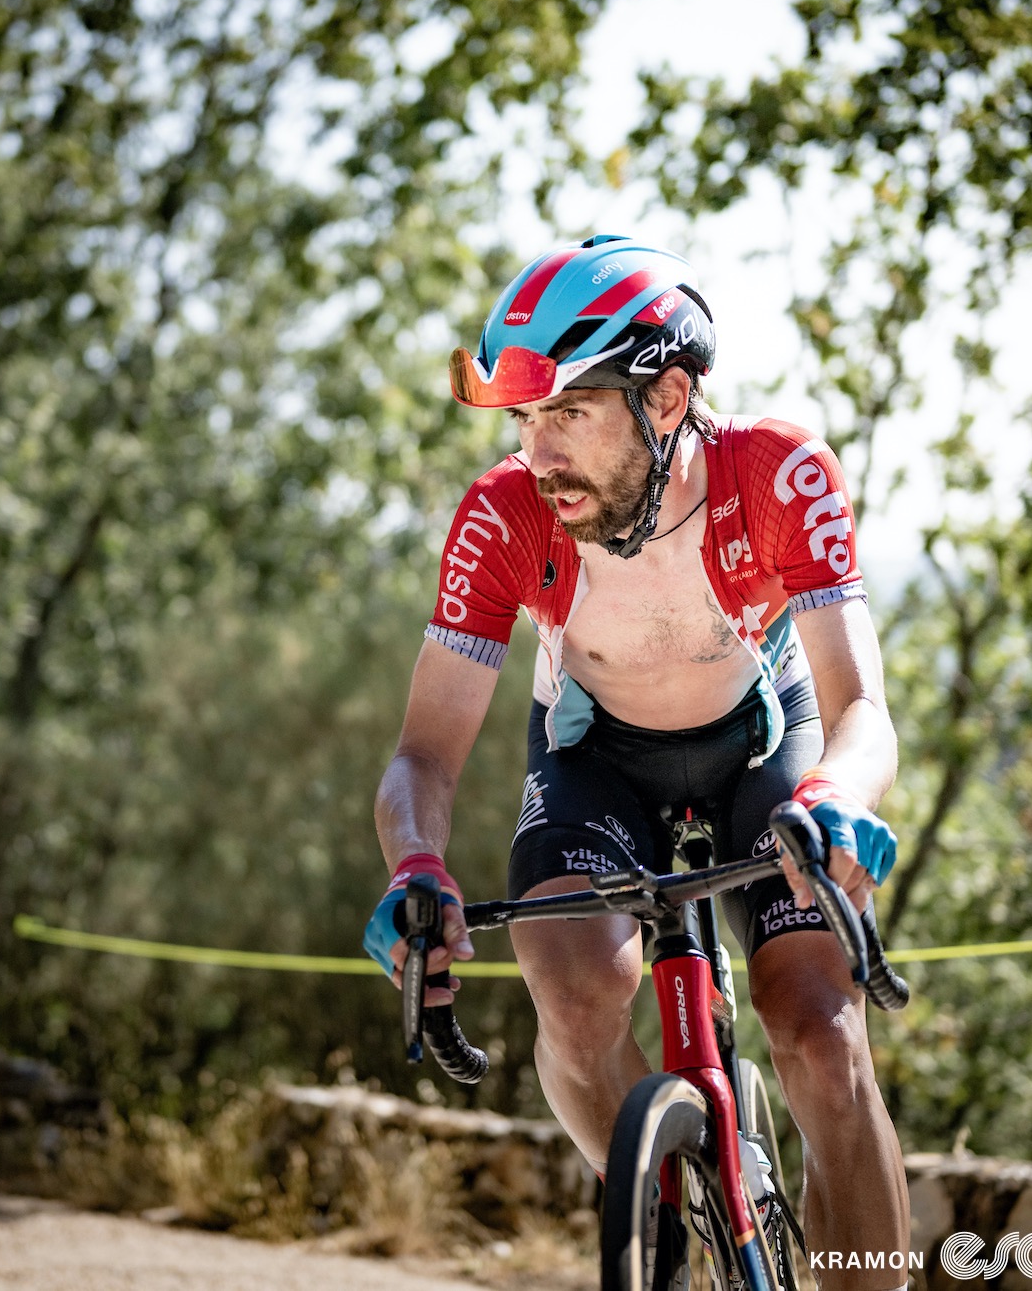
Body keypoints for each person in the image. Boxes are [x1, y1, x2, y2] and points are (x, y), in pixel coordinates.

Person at [364, 235, 907, 1290]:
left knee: (820, 1029)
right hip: (595, 759)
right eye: (526, 420)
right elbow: (422, 755)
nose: (536, 453)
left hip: (765, 748)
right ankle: (670, 1203)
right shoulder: (505, 513)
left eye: (566, 413)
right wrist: (413, 864)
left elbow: (862, 709)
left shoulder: (777, 471)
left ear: (665, 399)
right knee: (571, 994)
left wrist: (837, 793)